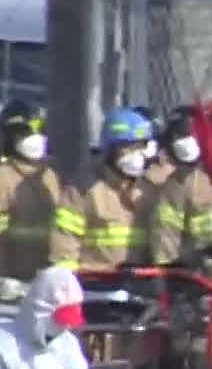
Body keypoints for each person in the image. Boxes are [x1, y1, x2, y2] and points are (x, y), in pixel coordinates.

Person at [51, 107, 160, 270]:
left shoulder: (148, 189)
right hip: (97, 286)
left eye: (139, 147)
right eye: (127, 147)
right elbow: (65, 245)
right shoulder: (82, 190)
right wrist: (70, 285)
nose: (136, 155)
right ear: (109, 150)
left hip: (141, 286)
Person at [0, 99, 63, 283]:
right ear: (10, 139)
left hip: (47, 278)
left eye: (39, 131)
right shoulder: (1, 180)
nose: (35, 138)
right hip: (14, 281)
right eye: (25, 133)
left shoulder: (50, 176)